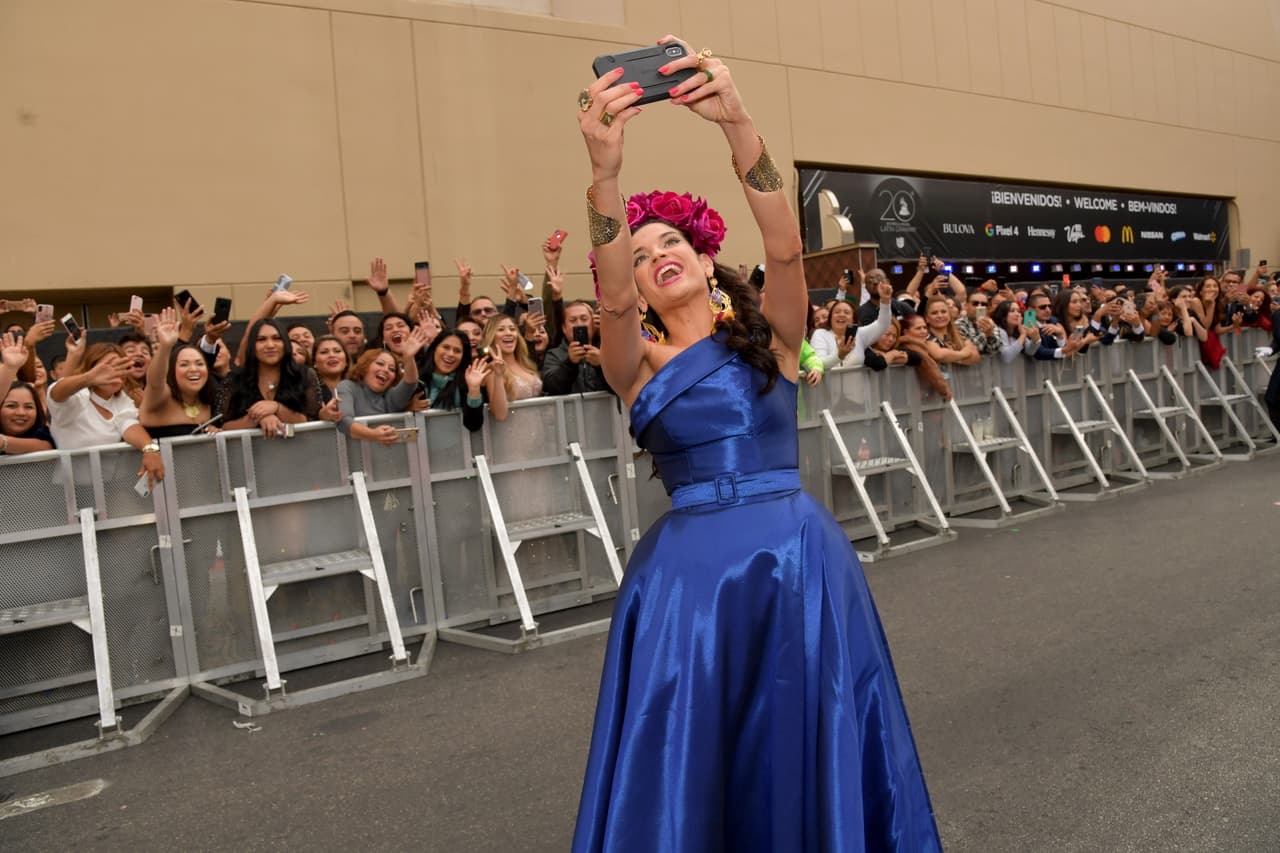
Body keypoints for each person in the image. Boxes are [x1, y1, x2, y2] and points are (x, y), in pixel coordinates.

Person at [571, 37, 939, 852]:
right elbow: (618, 309)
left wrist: (736, 121)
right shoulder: (633, 364)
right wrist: (605, 176)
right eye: (637, 255)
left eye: (670, 243)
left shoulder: (773, 339)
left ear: (706, 257)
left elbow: (784, 247)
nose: (655, 256)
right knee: (691, 760)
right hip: (688, 583)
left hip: (797, 559)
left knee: (805, 739)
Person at [46, 337, 165, 488]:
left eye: (120, 366)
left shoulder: (121, 399)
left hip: (109, 489)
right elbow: (56, 394)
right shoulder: (79, 396)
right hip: (68, 490)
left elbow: (130, 426)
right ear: (92, 367)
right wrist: (89, 378)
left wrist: (150, 449)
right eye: (108, 366)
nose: (114, 371)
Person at [222, 318, 323, 437]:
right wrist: (259, 417)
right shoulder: (234, 379)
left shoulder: (305, 375)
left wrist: (277, 408)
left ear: (285, 343)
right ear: (251, 346)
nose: (270, 345)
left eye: (277, 338)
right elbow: (220, 425)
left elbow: (314, 421)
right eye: (261, 339)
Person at [333, 327, 430, 443]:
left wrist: (408, 358)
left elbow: (410, 383)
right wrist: (373, 434)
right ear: (365, 366)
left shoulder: (389, 396)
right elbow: (343, 421)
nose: (386, 370)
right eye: (380, 363)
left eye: (392, 369)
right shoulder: (347, 386)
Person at [140, 308, 224, 437]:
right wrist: (165, 347)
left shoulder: (208, 400)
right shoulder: (162, 396)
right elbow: (155, 382)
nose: (193, 369)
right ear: (171, 371)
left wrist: (213, 430)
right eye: (184, 364)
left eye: (199, 364)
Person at [417, 329, 507, 432]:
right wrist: (409, 407)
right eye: (446, 347)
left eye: (457, 351)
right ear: (434, 348)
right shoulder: (417, 377)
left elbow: (473, 425)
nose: (451, 354)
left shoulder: (467, 381)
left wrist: (474, 390)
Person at [540, 301, 611, 395]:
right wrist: (570, 363)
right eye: (573, 320)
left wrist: (601, 365)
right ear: (564, 328)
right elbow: (552, 388)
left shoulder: (607, 350)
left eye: (584, 319)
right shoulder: (554, 355)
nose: (579, 324)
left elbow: (622, 385)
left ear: (593, 324)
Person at [0, 332, 54, 453]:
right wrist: (9, 368)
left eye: (29, 407)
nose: (21, 413)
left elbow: (45, 446)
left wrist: (3, 442)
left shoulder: (44, 434)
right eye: (11, 405)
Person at [482, 315, 543, 401]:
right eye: (501, 329)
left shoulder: (527, 363)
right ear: (491, 337)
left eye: (512, 329)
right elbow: (499, 414)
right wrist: (498, 375)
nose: (508, 333)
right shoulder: (492, 369)